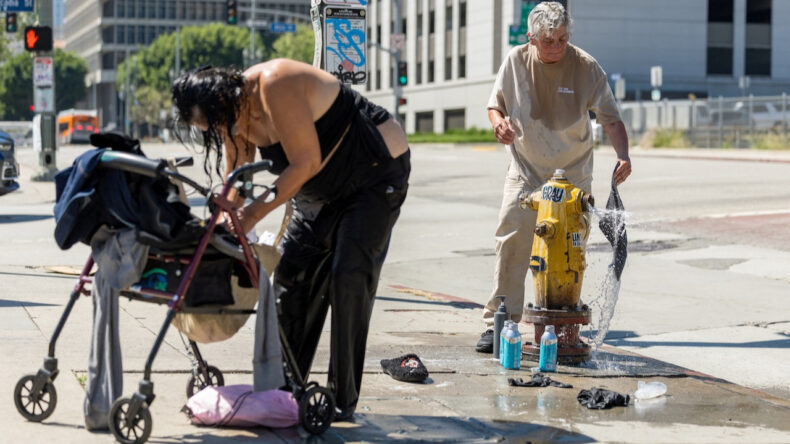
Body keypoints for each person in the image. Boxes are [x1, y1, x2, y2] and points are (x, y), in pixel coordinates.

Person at [171, 59, 411, 420]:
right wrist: (217, 228)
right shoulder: (230, 114)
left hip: (372, 174)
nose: (219, 130)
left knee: (347, 276)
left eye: (215, 123)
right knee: (290, 278)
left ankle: (341, 400)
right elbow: (238, 179)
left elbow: (305, 161)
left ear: (224, 100)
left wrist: (251, 215)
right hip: (318, 192)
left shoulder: (273, 84)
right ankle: (283, 390)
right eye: (210, 129)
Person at [476, 1, 631, 353]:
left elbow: (611, 119)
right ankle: (498, 322)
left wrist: (623, 155)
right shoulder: (516, 61)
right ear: (531, 38)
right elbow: (494, 104)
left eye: (562, 38)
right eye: (549, 41)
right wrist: (498, 123)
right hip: (526, 171)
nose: (557, 46)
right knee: (511, 242)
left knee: (566, 254)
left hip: (572, 178)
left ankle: (560, 330)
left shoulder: (586, 67)